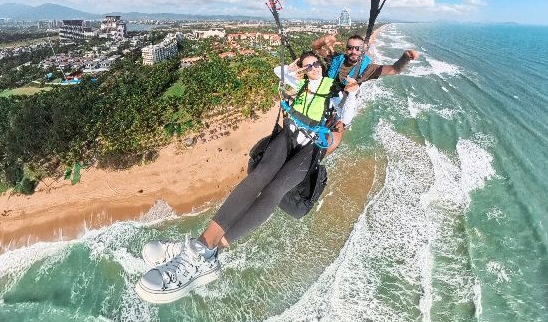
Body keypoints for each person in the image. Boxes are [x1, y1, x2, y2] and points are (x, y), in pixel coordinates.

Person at [134, 40, 418, 304]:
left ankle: (199, 251)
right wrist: (304, 63)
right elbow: (280, 70)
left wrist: (355, 89)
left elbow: (351, 102)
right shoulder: (301, 81)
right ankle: (203, 251)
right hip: (288, 135)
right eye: (308, 66)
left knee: (274, 190)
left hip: (310, 146)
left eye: (316, 64)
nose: (313, 67)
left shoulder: (337, 85)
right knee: (258, 177)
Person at [310, 33, 420, 151]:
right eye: (350, 48)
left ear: (362, 50)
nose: (354, 51)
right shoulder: (337, 59)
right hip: (326, 98)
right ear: (346, 49)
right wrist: (324, 40)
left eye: (358, 48)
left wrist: (406, 57)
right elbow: (315, 47)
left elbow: (394, 69)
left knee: (334, 135)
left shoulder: (367, 69)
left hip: (344, 104)